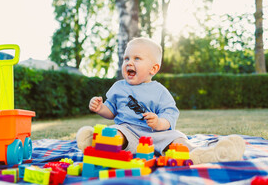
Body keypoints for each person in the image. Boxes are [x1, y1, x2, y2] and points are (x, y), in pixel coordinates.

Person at [76, 37, 245, 164]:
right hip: (128, 132)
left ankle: (203, 154)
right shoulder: (118, 87)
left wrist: (159, 123)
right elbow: (111, 111)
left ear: (153, 68)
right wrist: (100, 108)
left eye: (137, 59)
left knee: (177, 141)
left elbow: (170, 114)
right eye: (126, 58)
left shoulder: (159, 91)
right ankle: (97, 144)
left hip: (157, 135)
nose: (129, 63)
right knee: (113, 133)